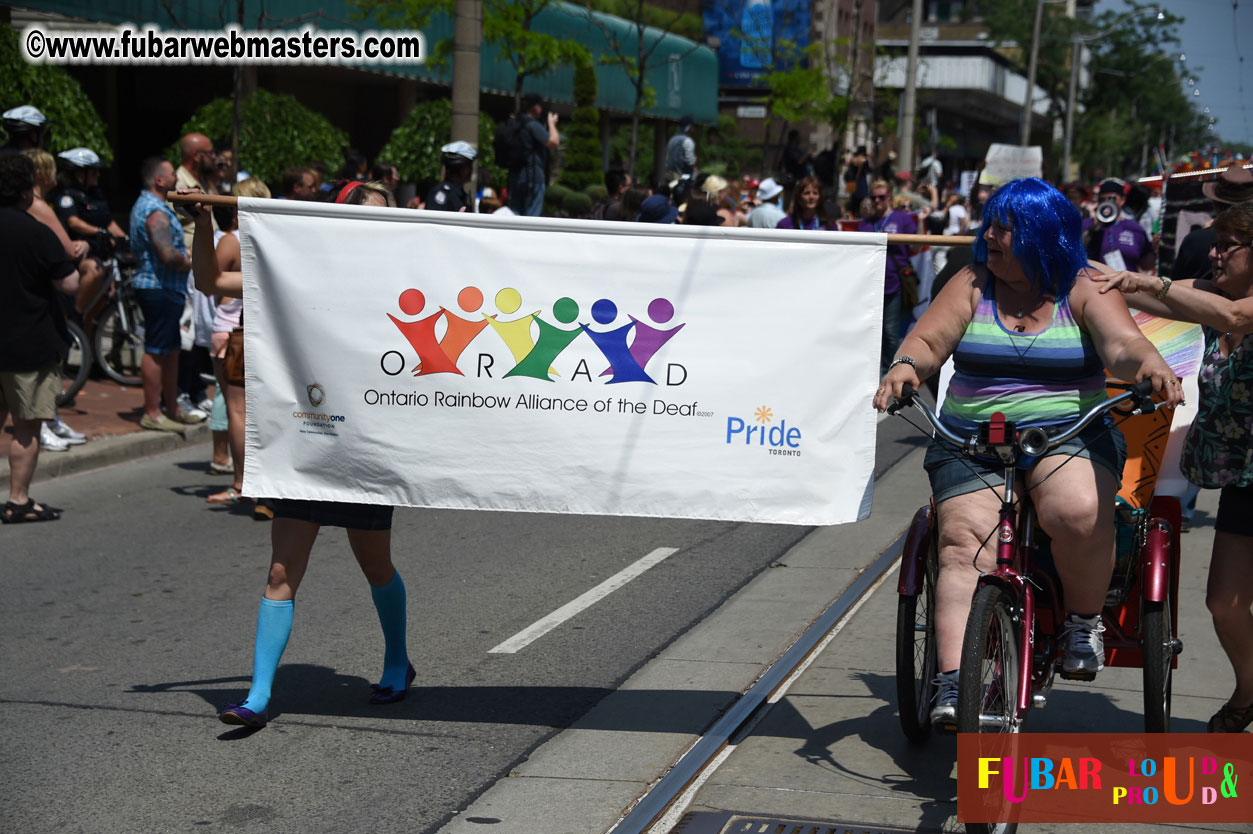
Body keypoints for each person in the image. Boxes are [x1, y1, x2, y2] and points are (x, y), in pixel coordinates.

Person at [872, 177, 1182, 728]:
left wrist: (1150, 365)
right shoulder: (971, 282)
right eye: (989, 222)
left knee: (1078, 512)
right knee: (963, 541)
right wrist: (904, 366)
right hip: (973, 441)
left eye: (1003, 227)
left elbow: (1122, 345)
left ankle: (1083, 623)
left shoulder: (1084, 283)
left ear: (1041, 236)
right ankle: (951, 680)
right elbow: (928, 341)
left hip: (1068, 434)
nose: (988, 235)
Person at [182, 185, 413, 729]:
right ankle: (259, 694)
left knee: (374, 564)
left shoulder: (403, 273)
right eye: (364, 215)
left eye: (384, 216)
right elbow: (210, 282)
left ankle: (398, 661)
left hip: (363, 442)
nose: (374, 224)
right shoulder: (297, 268)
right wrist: (203, 221)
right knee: (282, 569)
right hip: (305, 440)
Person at [1094, 200, 1253, 732]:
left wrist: (1140, 280)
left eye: (1227, 244)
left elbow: (1230, 319)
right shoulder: (1211, 294)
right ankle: (1251, 690)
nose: (1215, 252)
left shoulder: (1230, 308)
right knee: (1223, 604)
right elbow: (1143, 290)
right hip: (1244, 482)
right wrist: (1086, 278)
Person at [0, 152, 79, 523]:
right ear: (25, 188)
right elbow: (69, 282)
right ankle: (18, 500)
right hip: (28, 343)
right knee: (27, 427)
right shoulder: (36, 232)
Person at [205, 178, 272, 514]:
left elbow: (212, 286)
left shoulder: (232, 241)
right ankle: (265, 484)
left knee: (237, 411)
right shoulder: (273, 238)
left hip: (231, 332)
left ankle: (242, 483)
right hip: (263, 332)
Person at [22, 149, 93, 451]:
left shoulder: (33, 204)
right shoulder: (40, 207)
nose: (56, 176)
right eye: (51, 169)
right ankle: (43, 423)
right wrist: (83, 243)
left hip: (36, 287)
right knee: (46, 363)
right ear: (41, 174)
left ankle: (50, 420)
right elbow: (68, 250)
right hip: (46, 289)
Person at [129, 157, 201, 433]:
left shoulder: (157, 206)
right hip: (157, 287)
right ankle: (153, 412)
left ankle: (171, 408)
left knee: (170, 350)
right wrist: (191, 259)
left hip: (168, 288)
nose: (176, 179)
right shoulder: (153, 210)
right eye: (172, 175)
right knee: (157, 350)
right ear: (159, 180)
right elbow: (169, 256)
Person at [859, 179, 919, 374]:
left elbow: (916, 246)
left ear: (890, 198)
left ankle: (888, 370)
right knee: (868, 330)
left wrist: (924, 223)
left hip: (894, 283)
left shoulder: (902, 218)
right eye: (873, 197)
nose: (877, 201)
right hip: (870, 284)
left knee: (890, 332)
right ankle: (869, 370)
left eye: (881, 197)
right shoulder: (866, 224)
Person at [1172, 164, 1253, 281]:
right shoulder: (1196, 239)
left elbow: (1174, 286)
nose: (1212, 254)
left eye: (1226, 245)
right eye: (1218, 245)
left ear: (1215, 203)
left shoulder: (1195, 239)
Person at [49, 148, 127, 261]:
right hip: (82, 250)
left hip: (102, 247)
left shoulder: (96, 194)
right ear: (80, 173)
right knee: (94, 271)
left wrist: (125, 239)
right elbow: (74, 222)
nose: (98, 175)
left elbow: (109, 222)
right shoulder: (67, 196)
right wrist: (99, 231)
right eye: (94, 171)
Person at [1082, 178, 1153, 272]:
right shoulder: (1086, 224)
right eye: (1103, 199)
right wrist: (1094, 227)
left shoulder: (1134, 228)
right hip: (1095, 284)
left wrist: (1154, 251)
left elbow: (1145, 266)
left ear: (1122, 200)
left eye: (1112, 198)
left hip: (1126, 285)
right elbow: (1077, 250)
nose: (1107, 202)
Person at [508, 93, 559, 217]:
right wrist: (551, 123)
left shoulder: (514, 123)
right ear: (535, 107)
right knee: (531, 217)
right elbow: (553, 142)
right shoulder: (532, 124)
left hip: (515, 176)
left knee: (515, 216)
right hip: (533, 177)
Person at [426, 142, 475, 212]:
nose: (471, 170)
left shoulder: (458, 194)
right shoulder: (441, 194)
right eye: (470, 166)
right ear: (464, 170)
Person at [665, 115, 697, 180]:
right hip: (682, 178)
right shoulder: (688, 141)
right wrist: (695, 160)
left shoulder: (672, 139)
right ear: (689, 127)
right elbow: (690, 162)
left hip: (669, 175)